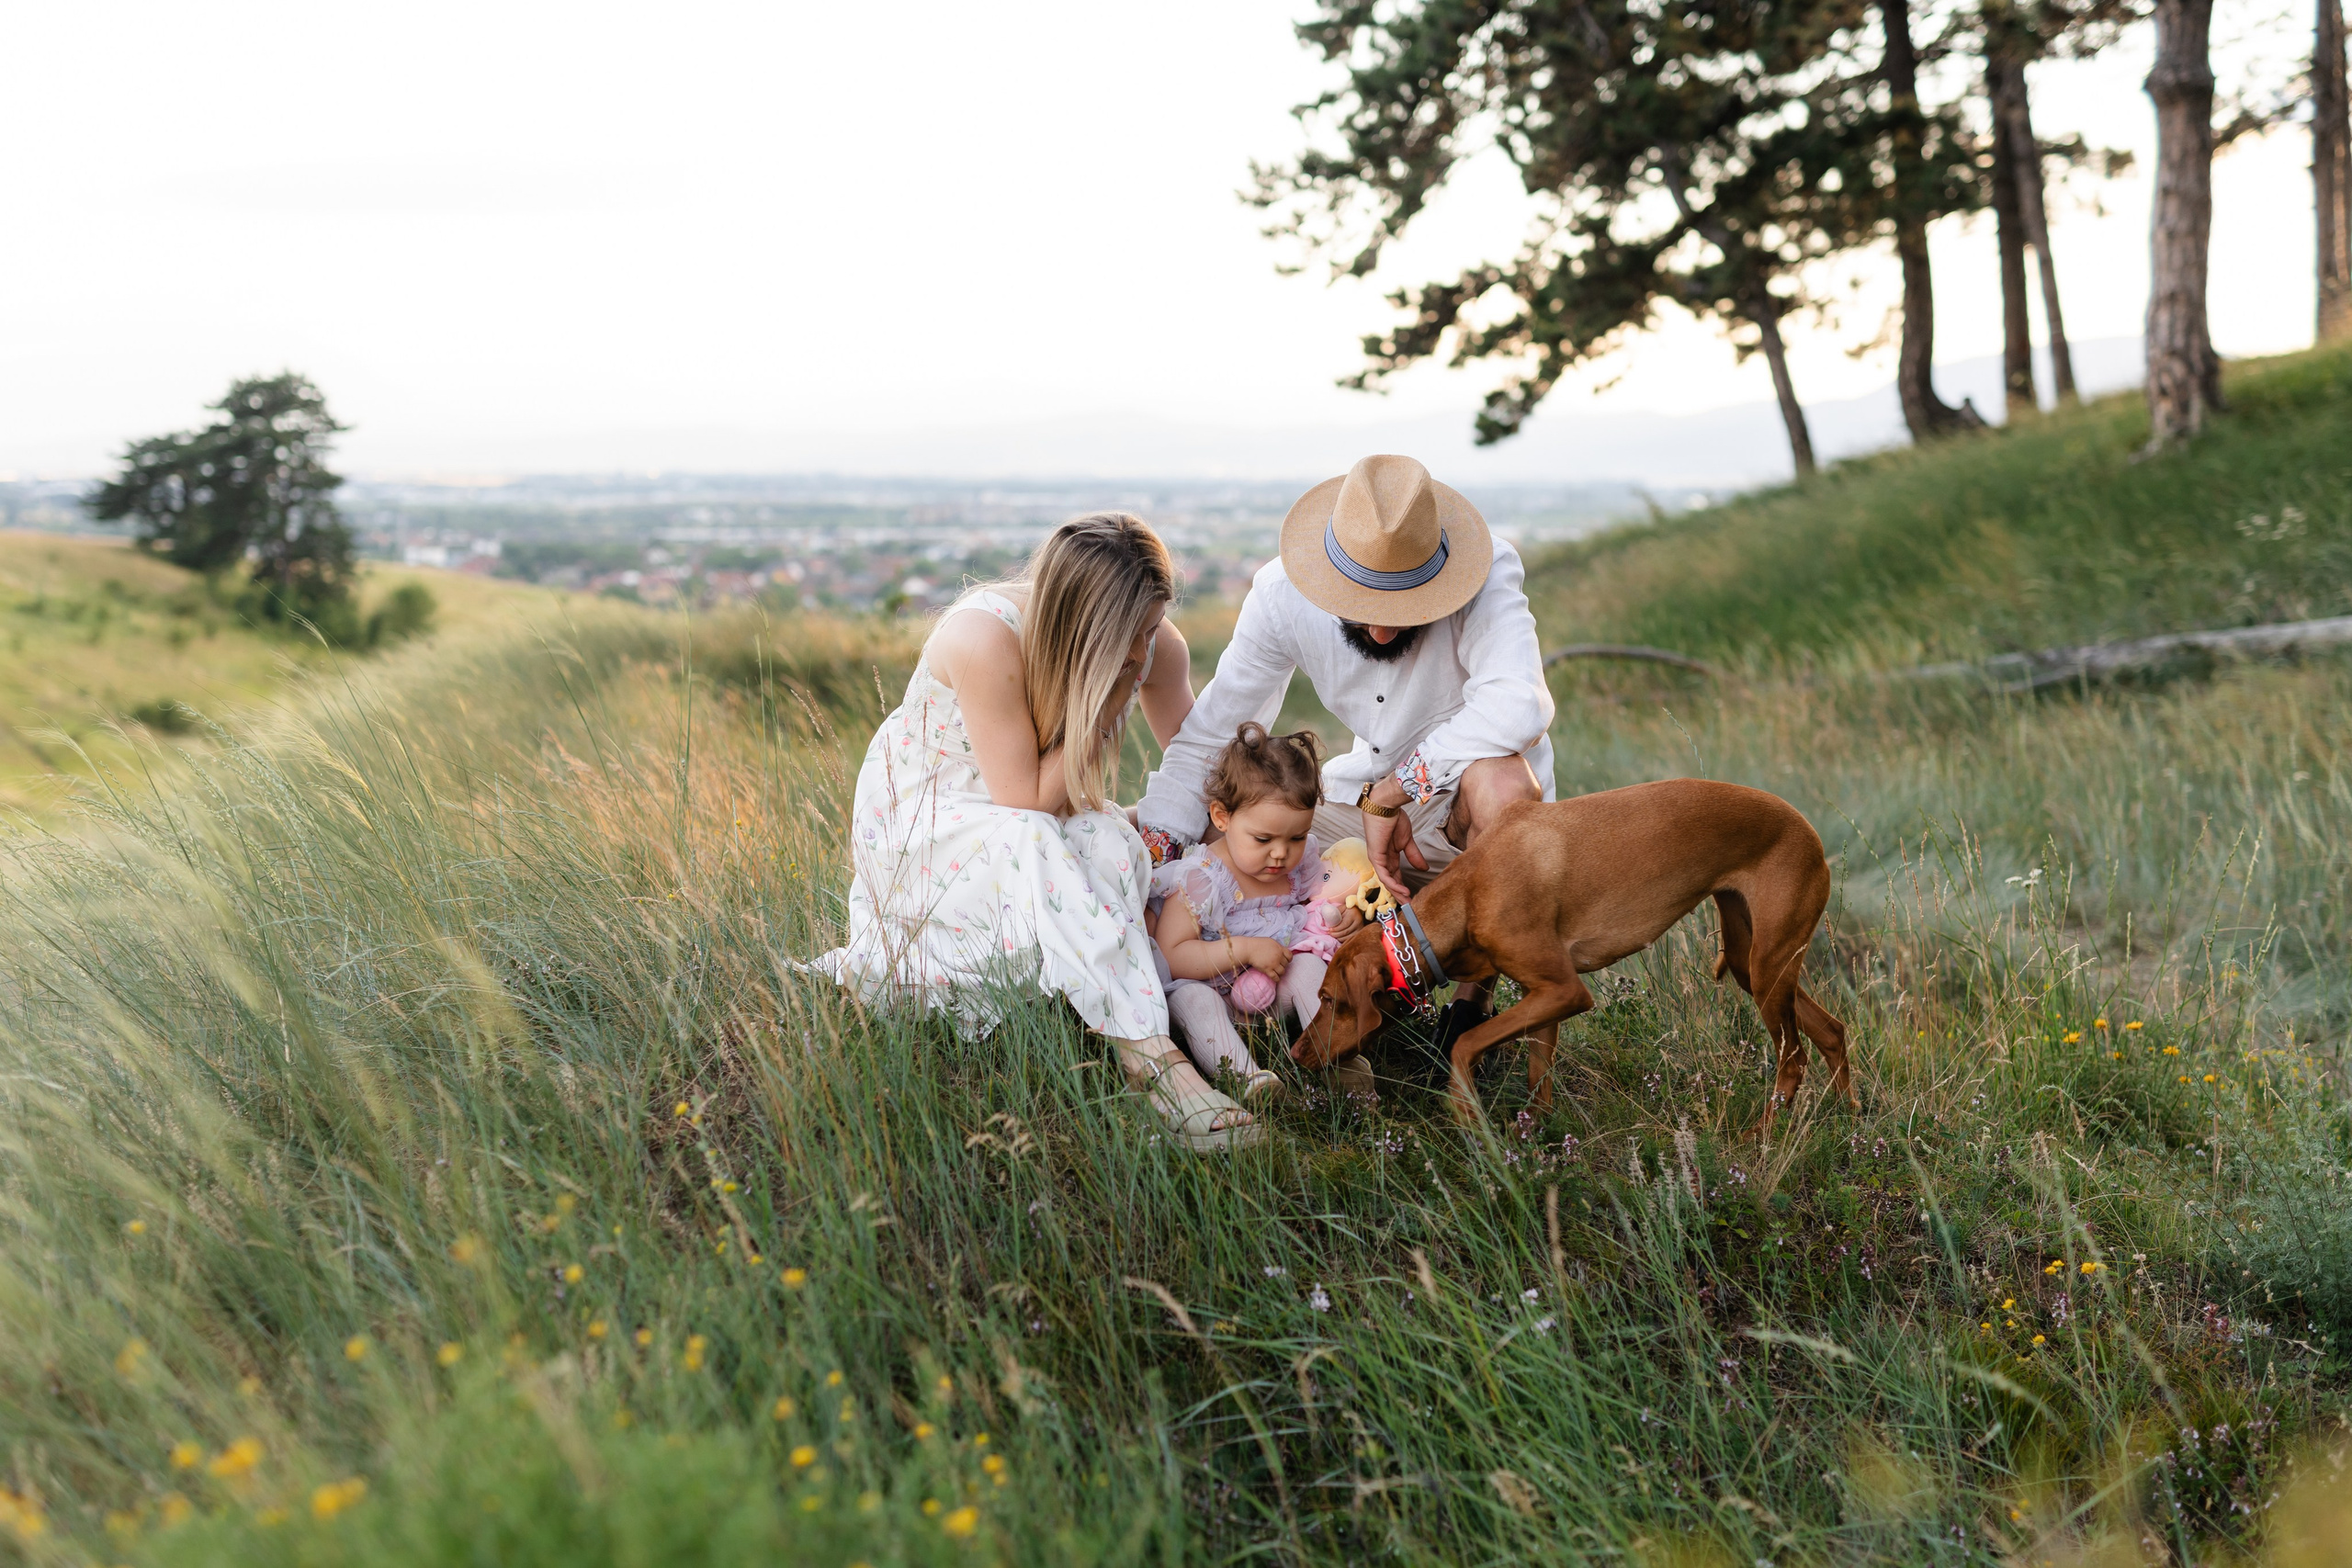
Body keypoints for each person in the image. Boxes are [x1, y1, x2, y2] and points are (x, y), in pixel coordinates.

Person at [816, 513, 1261, 1150]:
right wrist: (1101, 702)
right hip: (930, 818)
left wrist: (1252, 839)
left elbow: (1203, 774)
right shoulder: (983, 638)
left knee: (1114, 842)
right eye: (1127, 636)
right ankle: (1155, 1064)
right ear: (1081, 626)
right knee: (1040, 841)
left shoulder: (1155, 647)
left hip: (1033, 814)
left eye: (1152, 626)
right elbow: (1022, 800)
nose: (1142, 652)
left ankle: (1179, 1022)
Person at [1135, 454, 1555, 1061]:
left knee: (1503, 782)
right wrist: (1153, 849)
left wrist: (1397, 788)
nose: (1383, 632)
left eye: (1407, 608)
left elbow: (1519, 706)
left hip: (1474, 826)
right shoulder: (1281, 595)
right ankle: (1230, 996)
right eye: (1364, 607)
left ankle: (1471, 1000)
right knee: (1220, 821)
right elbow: (1209, 737)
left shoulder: (1490, 573)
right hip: (1356, 816)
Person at [1147, 723, 1332, 1102]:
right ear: (1222, 817)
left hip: (1273, 988)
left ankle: (1335, 1052)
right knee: (1192, 1002)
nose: (1281, 853)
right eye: (1263, 839)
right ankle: (1246, 1077)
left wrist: (1337, 912)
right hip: (1216, 991)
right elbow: (1174, 954)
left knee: (1311, 967)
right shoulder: (1203, 878)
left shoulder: (1298, 864)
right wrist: (1243, 950)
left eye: (1296, 837)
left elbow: (1324, 896)